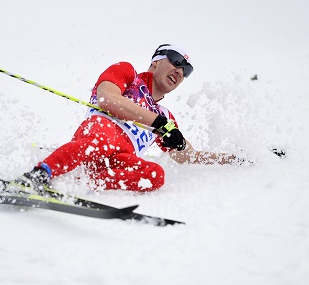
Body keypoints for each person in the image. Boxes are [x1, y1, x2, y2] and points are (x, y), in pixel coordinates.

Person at [14, 44, 238, 192]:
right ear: (156, 62)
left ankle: (77, 183)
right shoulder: (128, 73)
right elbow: (107, 99)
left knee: (155, 175)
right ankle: (39, 175)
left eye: (186, 71)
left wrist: (234, 159)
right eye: (176, 61)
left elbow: (187, 156)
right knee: (102, 142)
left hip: (120, 156)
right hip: (99, 134)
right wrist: (157, 123)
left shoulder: (165, 116)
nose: (180, 71)